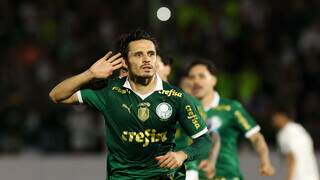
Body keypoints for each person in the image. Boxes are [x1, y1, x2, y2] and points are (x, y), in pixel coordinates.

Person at [49, 29, 211, 180]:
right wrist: (90, 74)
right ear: (125, 62)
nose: (147, 59)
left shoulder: (176, 96)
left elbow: (204, 140)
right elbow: (57, 95)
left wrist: (182, 155)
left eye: (151, 54)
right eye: (139, 54)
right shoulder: (109, 92)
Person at [187, 59, 275, 180]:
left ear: (214, 80)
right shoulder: (184, 110)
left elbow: (256, 137)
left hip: (228, 176)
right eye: (192, 77)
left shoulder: (231, 108)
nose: (196, 81)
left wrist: (265, 161)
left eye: (201, 76)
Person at [157, 55, 220, 180]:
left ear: (167, 69)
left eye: (156, 64)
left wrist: (211, 161)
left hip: (184, 170)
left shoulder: (184, 101)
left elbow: (210, 135)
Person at [272, 106, 319, 180]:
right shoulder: (301, 130)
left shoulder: (284, 133)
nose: (273, 120)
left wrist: (289, 178)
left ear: (282, 116)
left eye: (274, 116)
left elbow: (292, 157)